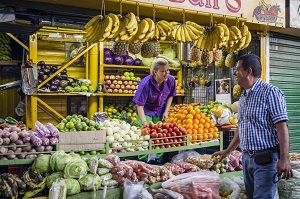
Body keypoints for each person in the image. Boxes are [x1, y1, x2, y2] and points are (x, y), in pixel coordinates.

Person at [213, 54, 292, 199]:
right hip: (247, 160)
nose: (235, 73)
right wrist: (228, 151)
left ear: (248, 71)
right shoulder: (243, 97)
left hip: (265, 161)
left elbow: (282, 127)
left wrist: (284, 158)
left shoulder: (270, 92)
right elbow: (241, 127)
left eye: (237, 69)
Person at [133, 58, 176, 127]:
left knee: (159, 134)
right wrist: (144, 122)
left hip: (160, 111)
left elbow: (171, 95)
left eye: (167, 70)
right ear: (155, 72)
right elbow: (139, 105)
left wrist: (166, 111)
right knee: (146, 134)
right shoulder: (145, 84)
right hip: (146, 111)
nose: (166, 74)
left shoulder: (171, 80)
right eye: (163, 71)